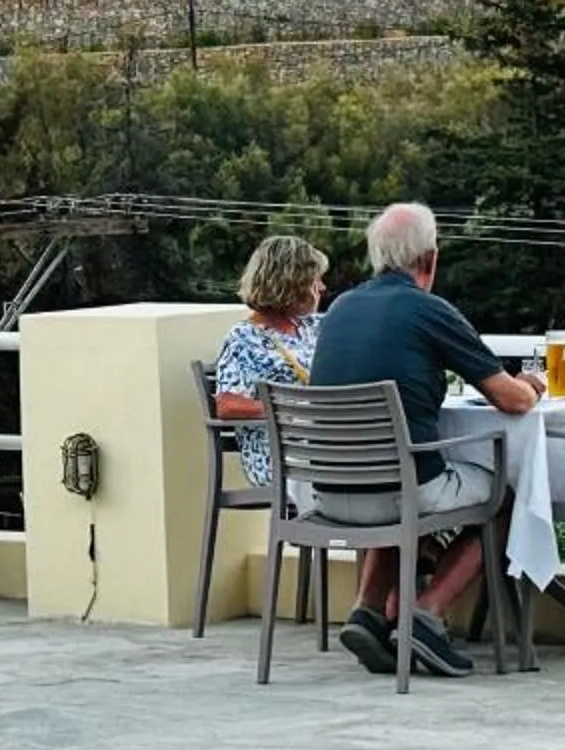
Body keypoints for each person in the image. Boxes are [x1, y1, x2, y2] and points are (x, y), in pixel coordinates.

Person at [307, 201, 539, 678]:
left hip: (328, 491)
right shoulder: (429, 311)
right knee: (506, 496)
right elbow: (511, 401)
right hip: (398, 492)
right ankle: (427, 613)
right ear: (430, 259)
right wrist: (532, 385)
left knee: (399, 479)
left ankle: (369, 611)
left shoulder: (339, 309)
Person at [213, 234, 329, 493]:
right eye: (314, 279)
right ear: (292, 283)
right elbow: (226, 405)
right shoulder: (245, 338)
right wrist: (289, 410)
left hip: (320, 444)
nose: (321, 287)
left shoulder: (313, 327)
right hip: (278, 455)